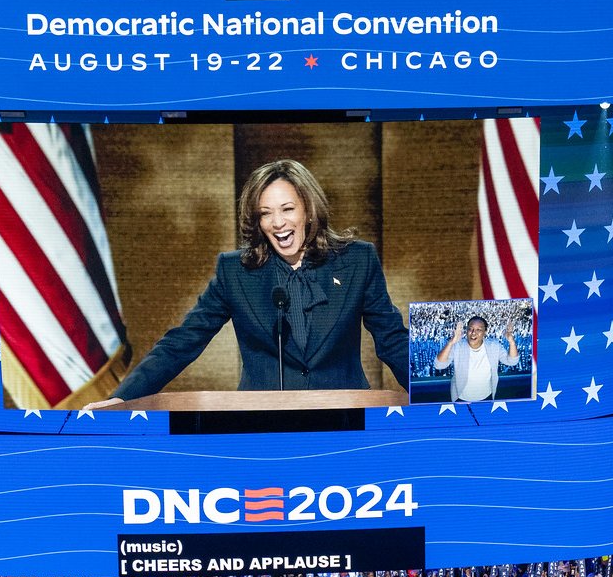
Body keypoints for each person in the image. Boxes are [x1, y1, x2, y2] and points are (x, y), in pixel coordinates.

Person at [98, 158, 409, 404]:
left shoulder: (356, 260)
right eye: (265, 213)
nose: (277, 223)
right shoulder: (236, 272)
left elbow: (392, 339)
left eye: (288, 209)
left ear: (309, 211)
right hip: (262, 429)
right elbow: (182, 341)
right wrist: (122, 396)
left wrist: (438, 391)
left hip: (345, 421)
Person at [433, 315, 521, 403]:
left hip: (487, 396)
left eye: (478, 330)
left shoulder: (494, 346)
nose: (473, 333)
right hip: (460, 397)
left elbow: (512, 361)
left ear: (485, 332)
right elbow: (439, 365)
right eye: (470, 329)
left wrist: (511, 341)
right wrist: (451, 342)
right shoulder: (458, 346)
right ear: (466, 331)